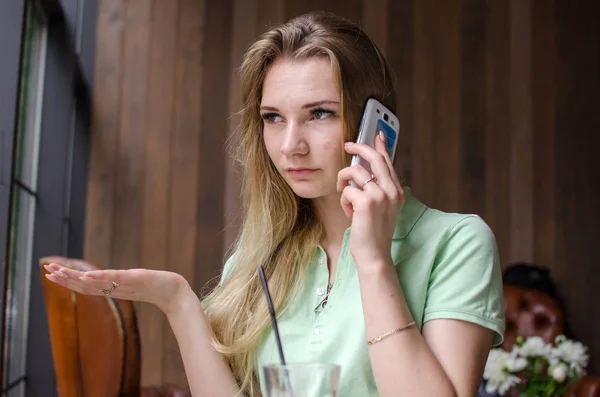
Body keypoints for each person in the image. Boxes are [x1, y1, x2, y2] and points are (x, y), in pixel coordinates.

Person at [44, 10, 505, 397]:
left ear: (373, 126)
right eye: (273, 118)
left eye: (319, 113)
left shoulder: (457, 242)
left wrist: (373, 260)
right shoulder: (259, 255)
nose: (290, 146)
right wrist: (178, 302)